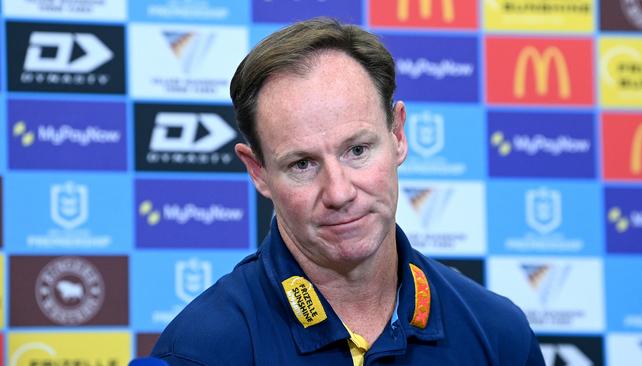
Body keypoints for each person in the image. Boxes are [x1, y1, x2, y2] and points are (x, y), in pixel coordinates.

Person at [151, 17, 545, 365]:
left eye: (357, 150)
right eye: (302, 164)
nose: (339, 193)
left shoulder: (498, 335)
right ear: (259, 172)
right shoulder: (199, 350)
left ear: (398, 135)